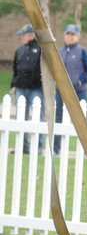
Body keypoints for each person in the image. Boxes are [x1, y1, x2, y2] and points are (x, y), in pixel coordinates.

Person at [54, 23, 87, 154]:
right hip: (61, 92)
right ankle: (56, 149)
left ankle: (86, 151)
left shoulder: (82, 51)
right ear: (64, 36)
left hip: (79, 92)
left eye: (72, 35)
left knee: (82, 121)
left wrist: (79, 81)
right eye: (68, 34)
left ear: (78, 36)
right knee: (58, 119)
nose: (70, 37)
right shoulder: (59, 52)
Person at [10, 24, 44, 152]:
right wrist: (14, 84)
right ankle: (23, 145)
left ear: (31, 35)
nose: (21, 37)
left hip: (36, 88)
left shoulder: (40, 49)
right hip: (21, 88)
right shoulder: (20, 50)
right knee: (21, 118)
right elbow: (16, 70)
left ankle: (38, 146)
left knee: (38, 117)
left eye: (23, 35)